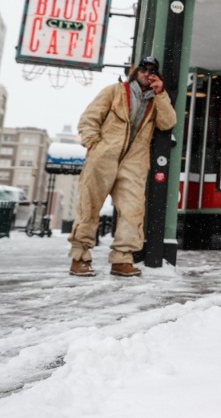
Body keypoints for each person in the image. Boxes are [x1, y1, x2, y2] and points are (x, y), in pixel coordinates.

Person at [68, 56, 177, 277]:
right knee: (89, 208)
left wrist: (160, 94)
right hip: (103, 157)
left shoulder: (156, 100)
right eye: (144, 70)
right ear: (135, 72)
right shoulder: (115, 91)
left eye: (152, 71)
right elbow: (89, 118)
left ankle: (122, 259)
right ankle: (80, 257)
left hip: (134, 163)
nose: (148, 74)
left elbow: (168, 122)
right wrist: (94, 146)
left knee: (133, 210)